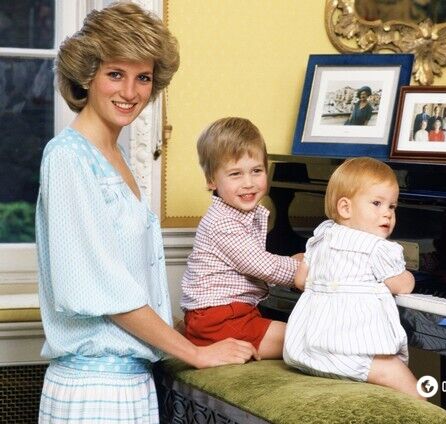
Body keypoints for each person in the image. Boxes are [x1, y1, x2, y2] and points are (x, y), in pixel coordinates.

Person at [36, 3, 259, 423]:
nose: (131, 92)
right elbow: (103, 291)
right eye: (115, 74)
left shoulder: (115, 156)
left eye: (143, 78)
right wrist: (195, 352)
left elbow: (131, 276)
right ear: (88, 75)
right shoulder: (67, 157)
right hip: (94, 391)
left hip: (133, 383)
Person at [283, 157, 424, 400]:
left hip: (307, 350)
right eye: (377, 203)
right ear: (345, 208)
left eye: (392, 206)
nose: (387, 214)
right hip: (355, 354)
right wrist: (409, 275)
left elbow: (299, 280)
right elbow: (402, 285)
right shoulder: (379, 249)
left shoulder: (321, 237)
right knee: (416, 393)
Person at [181, 117, 302, 360]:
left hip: (233, 314)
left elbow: (259, 263)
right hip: (219, 319)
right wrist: (302, 269)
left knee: (304, 335)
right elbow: (261, 265)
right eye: (235, 174)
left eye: (257, 170)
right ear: (211, 180)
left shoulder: (241, 214)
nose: (249, 183)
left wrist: (293, 264)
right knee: (306, 339)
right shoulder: (223, 222)